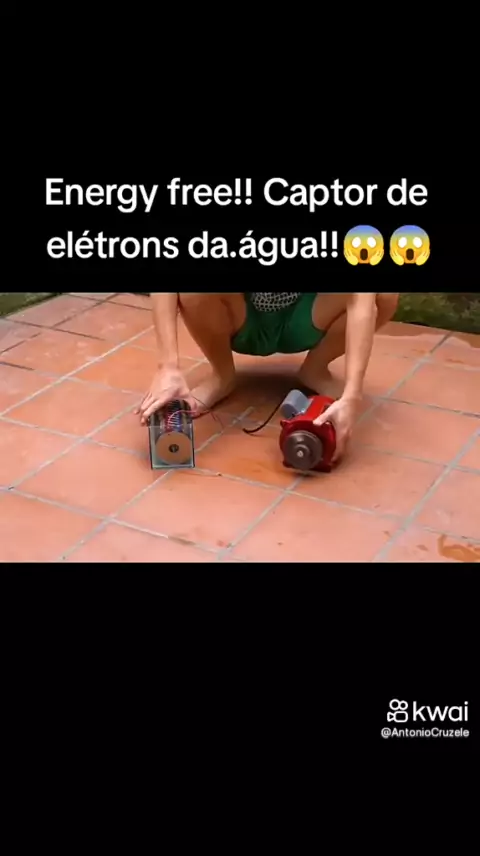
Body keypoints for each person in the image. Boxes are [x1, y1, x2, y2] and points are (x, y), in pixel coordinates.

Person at [136, 292, 399, 462]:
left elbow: (361, 300)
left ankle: (316, 369)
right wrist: (168, 366)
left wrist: (352, 394)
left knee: (384, 295)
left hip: (306, 316)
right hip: (242, 318)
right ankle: (222, 374)